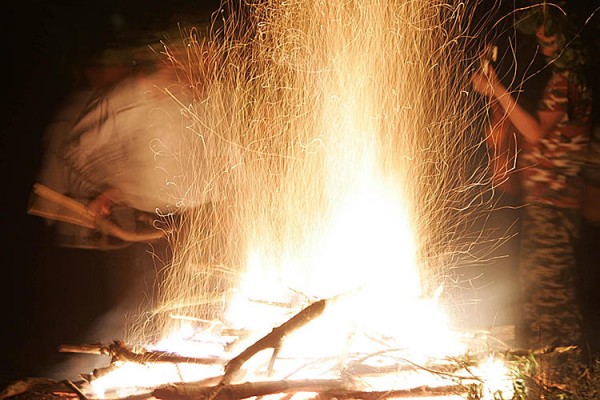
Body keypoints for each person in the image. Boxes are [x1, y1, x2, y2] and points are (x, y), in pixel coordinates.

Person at [472, 13, 593, 354]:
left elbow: (536, 133)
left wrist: (496, 88)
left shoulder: (566, 81)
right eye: (541, 41)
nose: (545, 47)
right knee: (538, 287)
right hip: (550, 200)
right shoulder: (570, 80)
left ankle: (565, 369)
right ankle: (545, 365)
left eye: (550, 40)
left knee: (549, 291)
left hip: (554, 202)